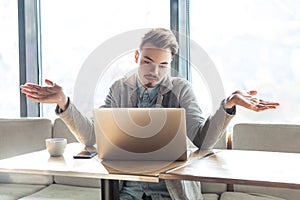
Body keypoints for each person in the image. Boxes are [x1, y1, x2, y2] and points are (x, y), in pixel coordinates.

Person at [20, 28, 279, 200]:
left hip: (171, 191)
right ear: (136, 57)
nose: (154, 72)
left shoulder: (181, 89)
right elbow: (93, 139)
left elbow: (201, 141)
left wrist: (228, 105)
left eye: (162, 65)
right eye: (147, 62)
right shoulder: (119, 88)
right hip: (127, 191)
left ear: (169, 65)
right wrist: (64, 102)